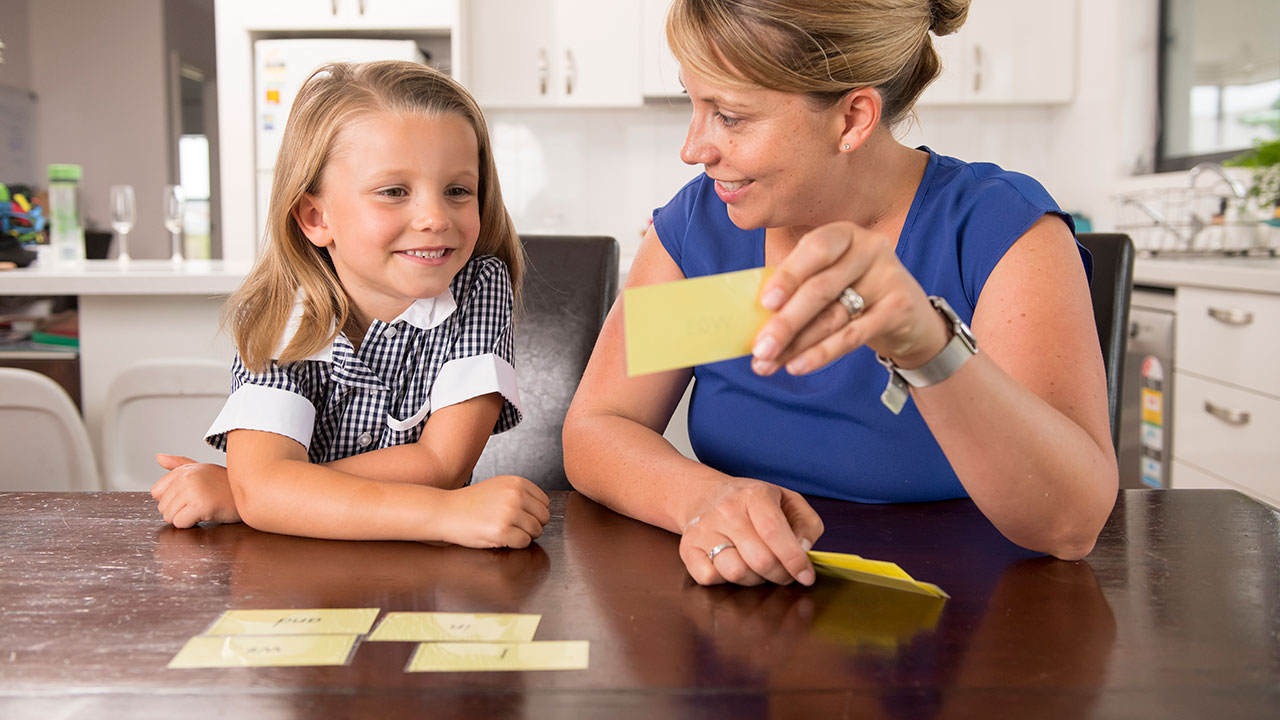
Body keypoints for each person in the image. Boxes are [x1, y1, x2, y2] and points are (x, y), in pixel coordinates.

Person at [563, 0, 1118, 586]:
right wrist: (704, 498)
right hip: (751, 614)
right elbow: (599, 425)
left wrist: (928, 347)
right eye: (693, 103)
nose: (694, 147)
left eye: (728, 115)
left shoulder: (998, 230)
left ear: (853, 119)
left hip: (963, 619)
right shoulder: (701, 228)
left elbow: (1070, 525)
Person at [151, 61, 550, 548]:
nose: (434, 216)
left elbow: (441, 465)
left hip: (426, 578)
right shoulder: (276, 311)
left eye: (457, 191)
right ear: (317, 217)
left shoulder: (479, 286)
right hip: (294, 587)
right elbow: (265, 486)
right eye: (394, 192)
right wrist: (262, 491)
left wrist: (264, 493)